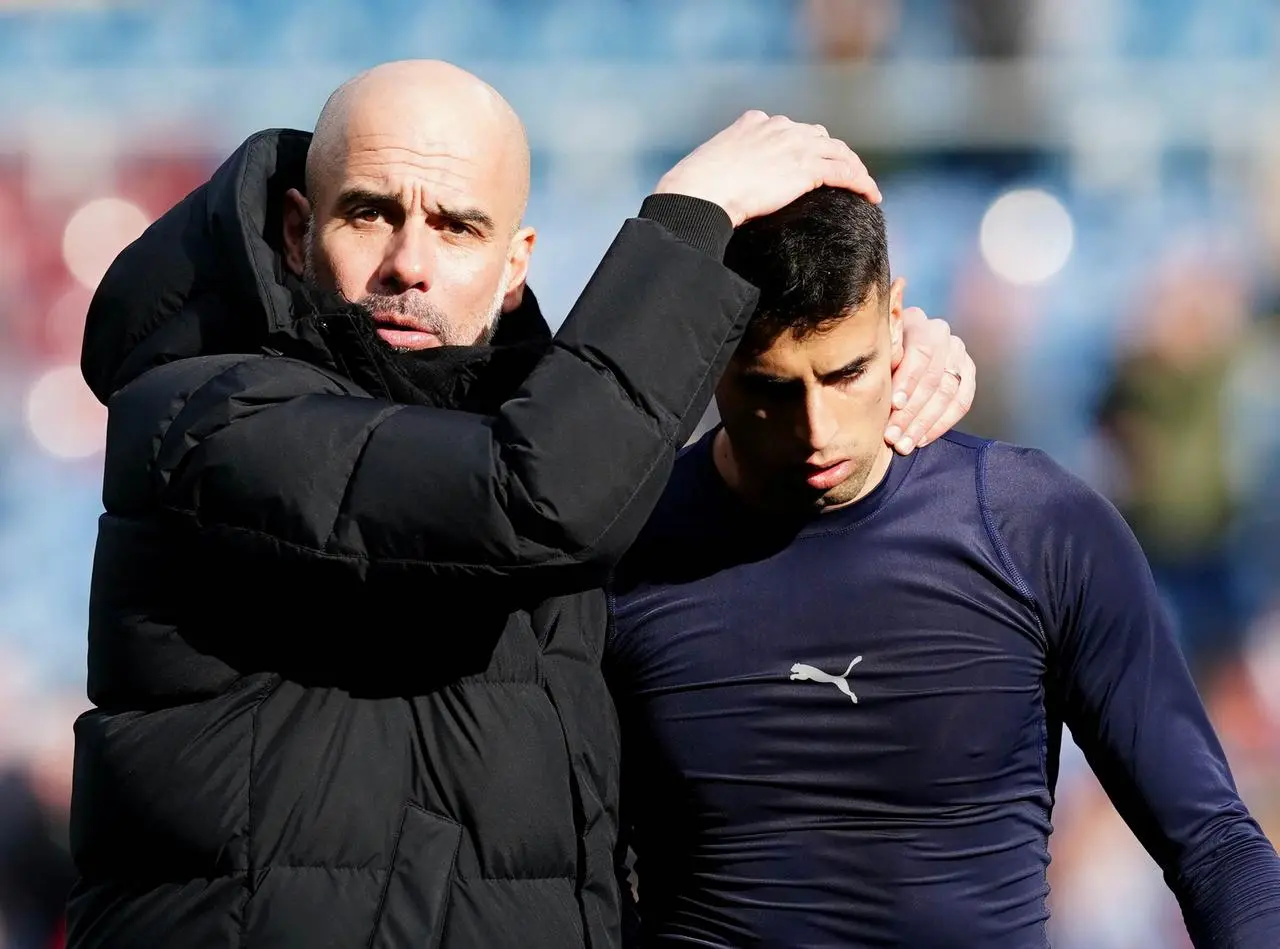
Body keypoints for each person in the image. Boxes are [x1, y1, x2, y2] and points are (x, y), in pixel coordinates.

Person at [68, 60, 973, 949]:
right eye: (370, 212)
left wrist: (883, 375)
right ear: (298, 233)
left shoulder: (536, 437)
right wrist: (690, 221)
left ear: (515, 266)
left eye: (458, 227)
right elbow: (534, 496)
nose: (407, 263)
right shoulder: (204, 416)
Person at [607, 186, 1280, 948]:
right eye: (771, 387)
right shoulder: (623, 550)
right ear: (710, 353)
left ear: (895, 319)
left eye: (847, 373)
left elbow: (1217, 845)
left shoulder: (1038, 529)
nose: (816, 429)